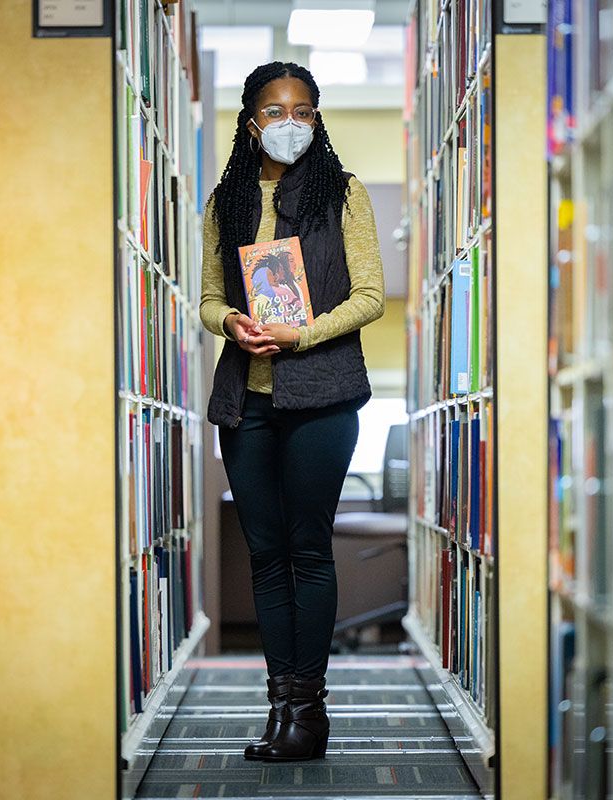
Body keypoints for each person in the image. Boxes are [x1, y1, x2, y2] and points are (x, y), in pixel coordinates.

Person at [199, 61, 385, 762]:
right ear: (252, 123)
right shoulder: (226, 202)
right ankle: (279, 708)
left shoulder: (344, 192)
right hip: (245, 401)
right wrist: (231, 323)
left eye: (303, 111)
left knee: (308, 549)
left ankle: (309, 713)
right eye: (275, 112)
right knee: (266, 555)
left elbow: (370, 295)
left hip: (323, 397)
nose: (290, 123)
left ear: (317, 119)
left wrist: (298, 334)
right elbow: (209, 297)